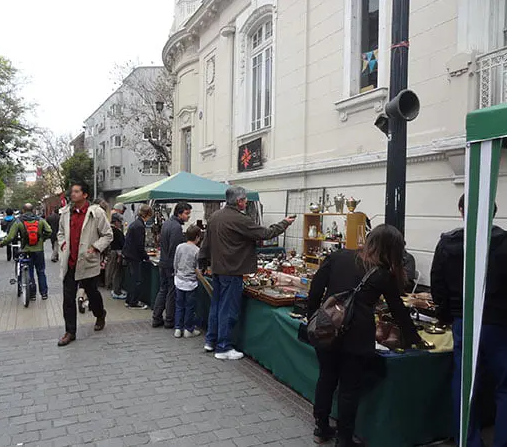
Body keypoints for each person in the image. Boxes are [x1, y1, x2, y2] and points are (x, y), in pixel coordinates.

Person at [307, 224, 423, 446]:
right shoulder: (383, 273)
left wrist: (314, 316)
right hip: (357, 336)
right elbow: (397, 309)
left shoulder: (339, 255)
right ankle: (344, 438)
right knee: (349, 389)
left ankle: (321, 428)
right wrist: (414, 338)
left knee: (326, 378)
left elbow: (316, 288)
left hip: (327, 329)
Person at [431, 195, 507, 447]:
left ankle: (469, 440)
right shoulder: (505, 242)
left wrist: (446, 315)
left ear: (462, 211)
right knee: (504, 387)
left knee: (465, 385)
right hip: (498, 324)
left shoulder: (447, 243)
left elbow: (437, 286)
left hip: (464, 320)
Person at [198, 186, 295, 360]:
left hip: (218, 269)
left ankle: (211, 341)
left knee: (217, 306)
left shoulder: (215, 216)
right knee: (228, 309)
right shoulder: (239, 219)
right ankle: (223, 348)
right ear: (238, 201)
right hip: (232, 270)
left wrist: (203, 262)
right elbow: (265, 233)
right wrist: (285, 223)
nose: (246, 203)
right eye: (244, 200)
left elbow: (206, 243)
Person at [57, 182, 113, 347]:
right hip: (70, 262)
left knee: (92, 293)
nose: (72, 194)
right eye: (72, 191)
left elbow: (108, 235)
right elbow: (60, 233)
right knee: (68, 298)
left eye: (76, 191)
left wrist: (95, 248)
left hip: (88, 261)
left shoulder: (96, 213)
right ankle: (70, 331)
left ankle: (100, 314)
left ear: (85, 194)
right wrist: (63, 245)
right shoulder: (66, 212)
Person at [0, 203, 52, 301]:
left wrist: (1, 244)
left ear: (23, 210)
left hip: (26, 250)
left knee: (30, 272)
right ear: (33, 210)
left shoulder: (19, 221)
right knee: (41, 271)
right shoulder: (40, 220)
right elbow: (49, 231)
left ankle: (32, 294)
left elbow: (10, 237)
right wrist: (42, 239)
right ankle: (44, 293)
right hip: (39, 250)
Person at [152, 202, 192, 329]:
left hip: (163, 262)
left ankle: (157, 317)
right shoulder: (176, 227)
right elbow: (175, 249)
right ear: (179, 213)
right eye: (186, 213)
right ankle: (169, 320)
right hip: (170, 264)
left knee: (163, 290)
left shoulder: (167, 223)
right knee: (170, 291)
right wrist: (177, 266)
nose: (188, 216)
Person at [173, 224, 202, 339]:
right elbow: (198, 267)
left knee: (179, 305)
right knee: (189, 307)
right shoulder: (197, 250)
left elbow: (175, 263)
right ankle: (188, 329)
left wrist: (177, 273)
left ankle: (178, 328)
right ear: (197, 237)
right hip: (191, 282)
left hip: (179, 280)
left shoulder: (179, 247)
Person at [122, 204, 153, 310]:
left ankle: (129, 300)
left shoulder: (135, 224)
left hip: (129, 254)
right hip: (134, 256)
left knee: (132, 279)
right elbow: (139, 245)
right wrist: (146, 257)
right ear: (147, 215)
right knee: (136, 280)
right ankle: (133, 302)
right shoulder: (140, 226)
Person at [106, 212, 126, 299]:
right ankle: (116, 291)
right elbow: (123, 243)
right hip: (117, 254)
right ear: (116, 222)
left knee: (111, 270)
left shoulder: (108, 230)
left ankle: (113, 288)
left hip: (111, 252)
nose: (121, 223)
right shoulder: (117, 231)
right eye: (120, 221)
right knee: (117, 272)